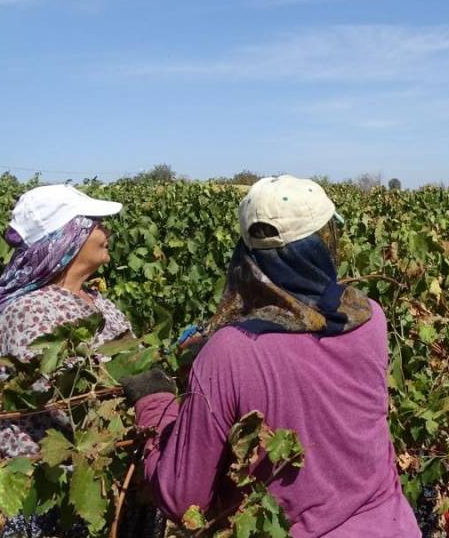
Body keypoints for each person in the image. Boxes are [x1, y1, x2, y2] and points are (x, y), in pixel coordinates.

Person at [121, 175, 420, 537]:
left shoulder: (229, 354)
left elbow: (183, 500)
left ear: (248, 257)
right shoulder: (368, 317)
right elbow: (302, 359)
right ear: (324, 247)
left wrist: (155, 405)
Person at [0, 184, 139, 537]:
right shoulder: (28, 312)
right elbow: (69, 402)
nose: (107, 231)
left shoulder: (97, 301)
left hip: (102, 489)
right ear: (67, 237)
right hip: (51, 501)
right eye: (96, 223)